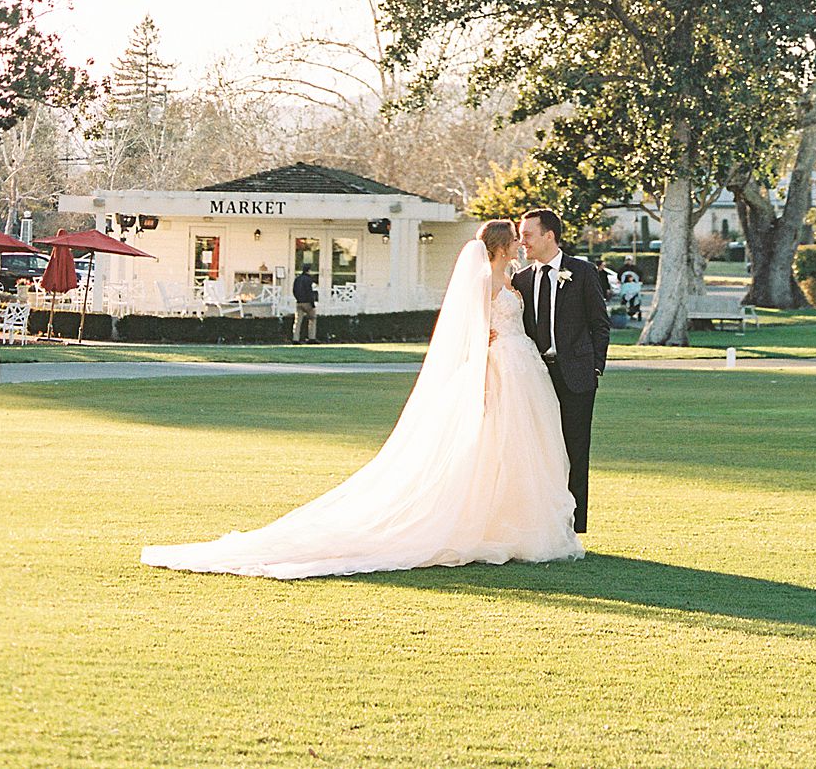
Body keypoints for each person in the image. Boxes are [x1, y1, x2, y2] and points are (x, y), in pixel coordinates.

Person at [142, 221, 580, 578]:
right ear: (504, 245)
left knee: (517, 450)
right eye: (516, 240)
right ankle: (489, 524)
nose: (522, 245)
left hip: (523, 370)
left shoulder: (509, 277)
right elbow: (473, 332)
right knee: (493, 445)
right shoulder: (485, 281)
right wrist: (486, 371)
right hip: (501, 370)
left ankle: (511, 521)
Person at [513, 207, 611, 536]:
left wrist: (595, 366)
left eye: (527, 234)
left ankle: (573, 527)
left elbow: (600, 323)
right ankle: (544, 522)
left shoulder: (582, 272)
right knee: (540, 450)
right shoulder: (521, 280)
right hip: (535, 378)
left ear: (549, 236)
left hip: (577, 376)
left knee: (575, 450)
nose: (521, 241)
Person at [291, 262, 318, 344]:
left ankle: (295, 339)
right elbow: (309, 292)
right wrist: (312, 304)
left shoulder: (297, 279)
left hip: (299, 302)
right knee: (312, 319)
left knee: (298, 321)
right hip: (307, 302)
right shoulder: (309, 279)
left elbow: (294, 290)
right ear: (308, 270)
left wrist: (297, 298)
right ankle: (311, 338)